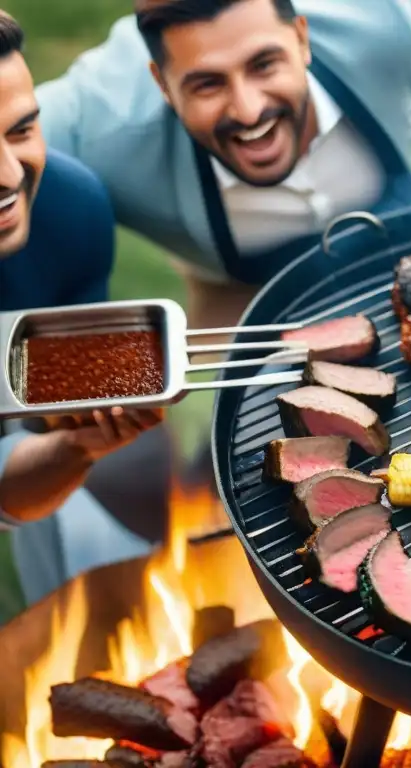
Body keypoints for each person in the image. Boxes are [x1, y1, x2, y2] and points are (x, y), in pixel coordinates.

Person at [33, 0, 411, 333]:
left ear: (301, 39)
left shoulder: (381, 29)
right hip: (243, 289)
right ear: (162, 86)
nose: (248, 111)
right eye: (207, 84)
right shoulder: (104, 124)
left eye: (263, 64)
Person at [0, 11, 166, 607]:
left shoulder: (68, 210)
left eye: (20, 131)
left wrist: (78, 443)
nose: (10, 176)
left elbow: (30, 435)